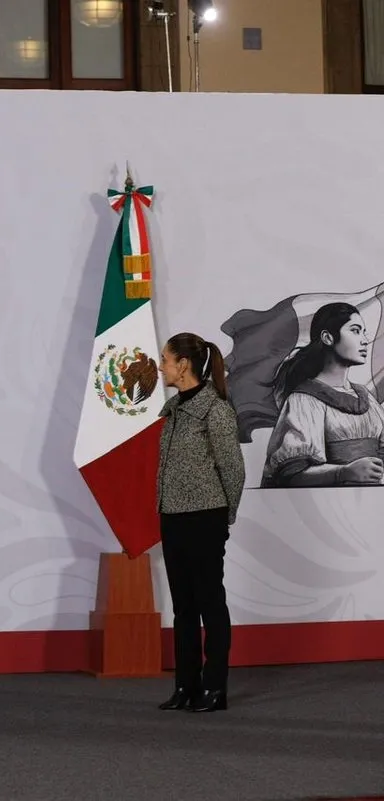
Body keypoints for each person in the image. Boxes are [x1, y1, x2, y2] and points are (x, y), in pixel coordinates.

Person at [155, 332, 246, 713]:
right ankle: (186, 685)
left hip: (205, 519)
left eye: (165, 359)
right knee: (183, 607)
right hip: (173, 517)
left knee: (211, 602)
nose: (161, 366)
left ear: (183, 365)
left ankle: (214, 687)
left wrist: (225, 516)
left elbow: (233, 470)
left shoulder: (215, 410)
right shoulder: (174, 409)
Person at [260, 302, 384, 488]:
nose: (365, 340)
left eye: (364, 331)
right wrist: (344, 472)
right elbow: (291, 474)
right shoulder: (304, 400)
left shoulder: (365, 397)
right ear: (327, 337)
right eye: (355, 330)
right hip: (328, 507)